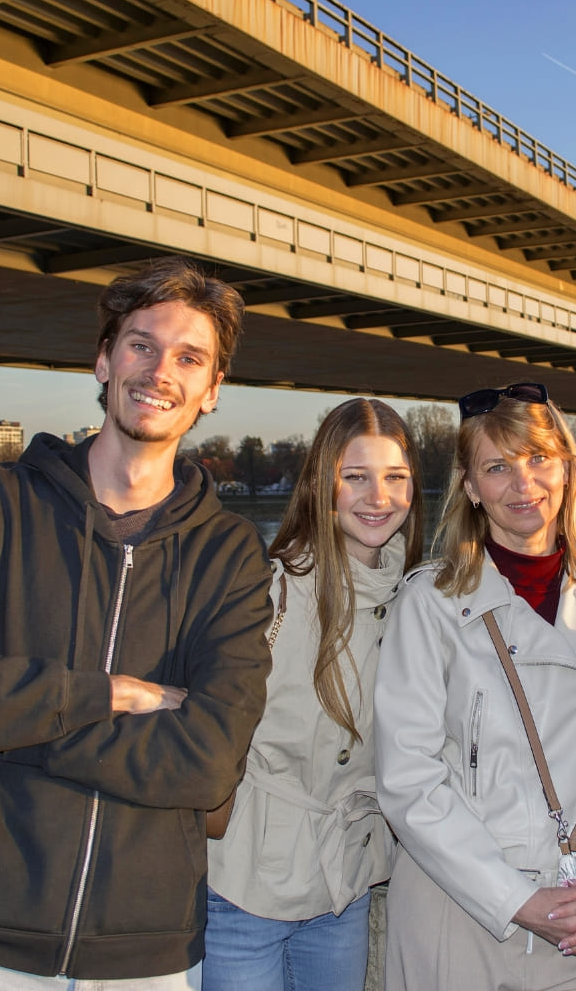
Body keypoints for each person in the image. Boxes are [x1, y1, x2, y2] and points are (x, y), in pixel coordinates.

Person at [0, 257, 273, 988]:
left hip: (145, 953)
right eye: (141, 344)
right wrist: (119, 695)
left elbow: (210, 761)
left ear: (212, 391)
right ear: (103, 359)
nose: (160, 371)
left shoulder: (231, 557)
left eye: (189, 358)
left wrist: (6, 723)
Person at [374, 382, 576, 991]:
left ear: (568, 470)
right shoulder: (429, 602)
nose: (524, 484)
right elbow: (408, 779)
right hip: (464, 921)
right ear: (469, 487)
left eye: (539, 459)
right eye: (498, 467)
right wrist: (518, 900)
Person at [203, 398, 424, 991]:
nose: (378, 497)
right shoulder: (268, 592)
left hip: (342, 885)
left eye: (395, 478)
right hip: (244, 885)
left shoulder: (421, 602)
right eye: (356, 477)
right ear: (322, 486)